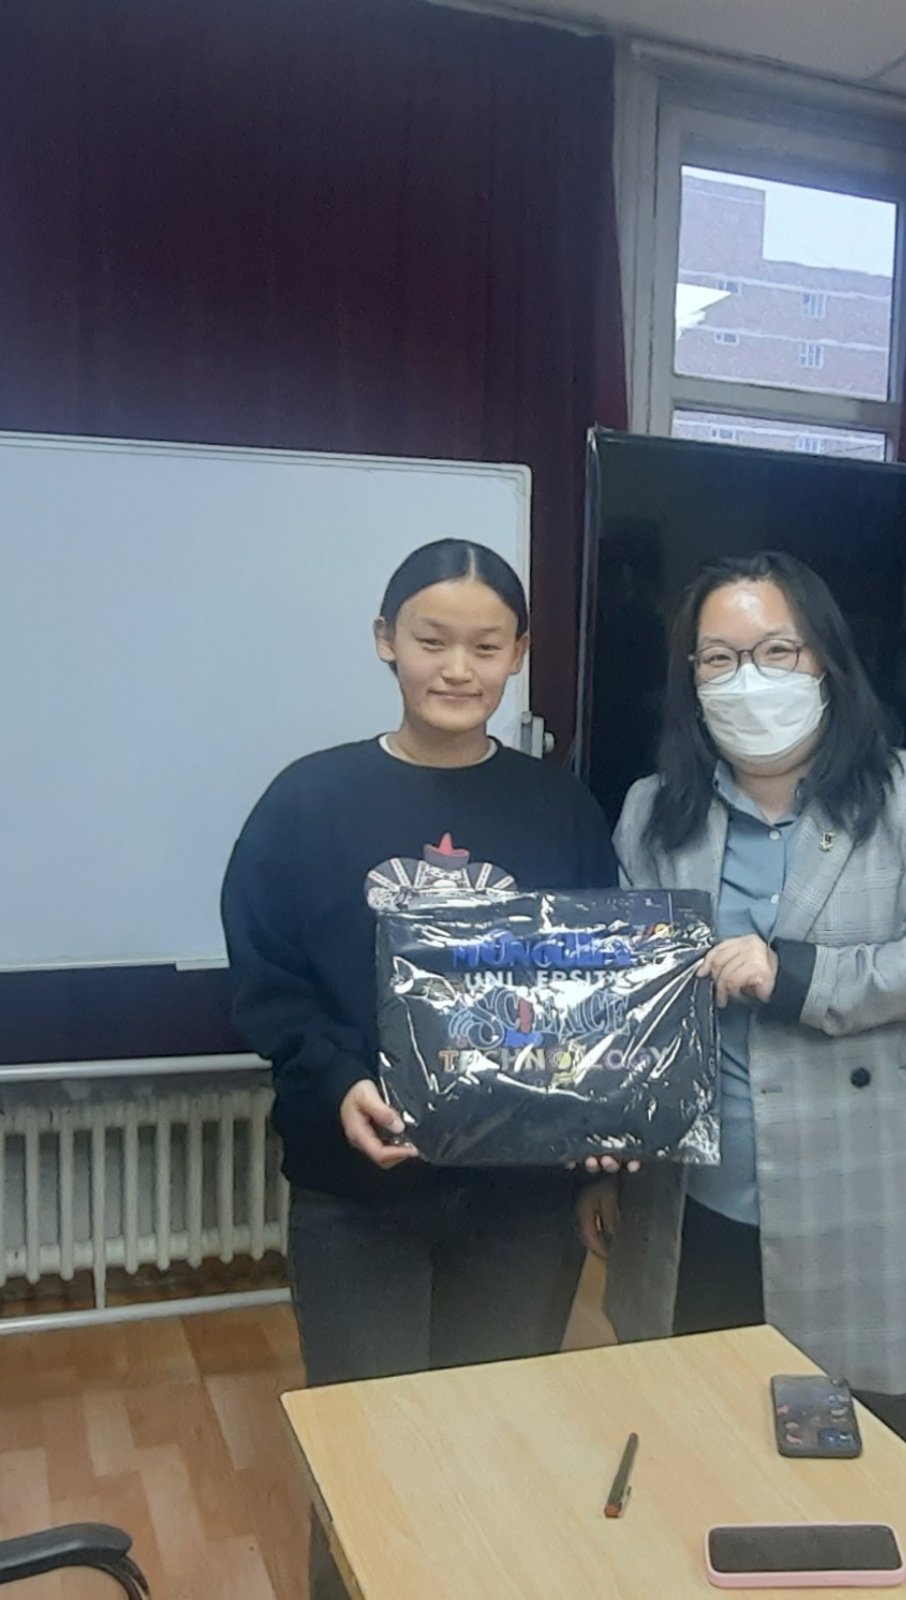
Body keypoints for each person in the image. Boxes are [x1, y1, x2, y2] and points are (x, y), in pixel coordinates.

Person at [221, 539, 618, 1600]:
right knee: (366, 1451)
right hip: (358, 1193)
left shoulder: (561, 807)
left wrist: (604, 1129)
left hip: (521, 1196)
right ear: (384, 640)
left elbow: (600, 986)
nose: (456, 667)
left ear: (519, 653)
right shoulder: (306, 801)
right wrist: (335, 1078)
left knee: (496, 1439)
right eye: (432, 640)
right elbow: (268, 981)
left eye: (485, 646)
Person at [585, 551, 906, 1453]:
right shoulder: (653, 810)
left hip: (859, 1195)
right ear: (691, 680)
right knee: (700, 1450)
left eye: (776, 651)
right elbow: (625, 1001)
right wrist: (600, 1140)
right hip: (696, 1200)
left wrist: (793, 975)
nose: (747, 679)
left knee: (863, 1470)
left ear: (824, 661)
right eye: (718, 658)